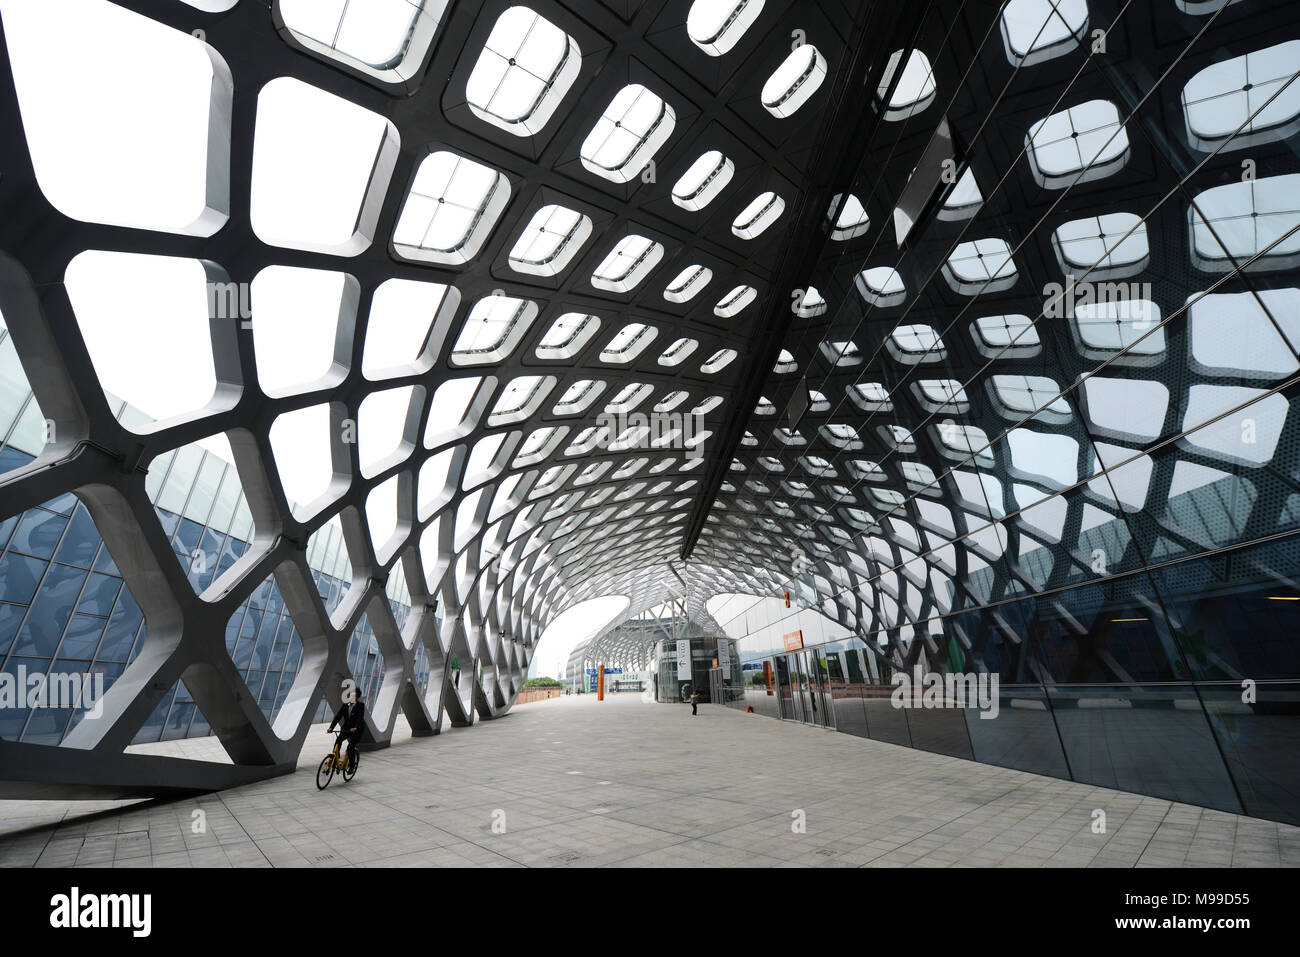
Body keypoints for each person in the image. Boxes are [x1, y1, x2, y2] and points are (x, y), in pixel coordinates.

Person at [327, 687, 365, 771]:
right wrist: (331, 727)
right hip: (347, 729)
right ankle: (335, 759)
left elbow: (360, 718)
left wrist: (355, 727)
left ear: (357, 697)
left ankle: (351, 766)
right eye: (350, 696)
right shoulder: (345, 706)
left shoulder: (360, 706)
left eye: (353, 696)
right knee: (338, 741)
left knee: (350, 747)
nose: (351, 698)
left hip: (356, 731)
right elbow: (337, 717)